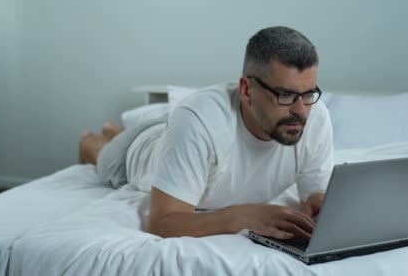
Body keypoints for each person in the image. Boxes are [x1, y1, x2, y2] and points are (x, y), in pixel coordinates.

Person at [79, 26, 333, 240]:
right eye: (285, 95)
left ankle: (116, 131)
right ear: (246, 89)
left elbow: (314, 195)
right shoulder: (197, 121)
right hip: (138, 150)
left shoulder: (315, 114)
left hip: (182, 130)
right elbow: (163, 223)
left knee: (181, 125)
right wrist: (245, 215)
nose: (300, 110)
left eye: (308, 93)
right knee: (102, 155)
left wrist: (319, 207)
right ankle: (101, 138)